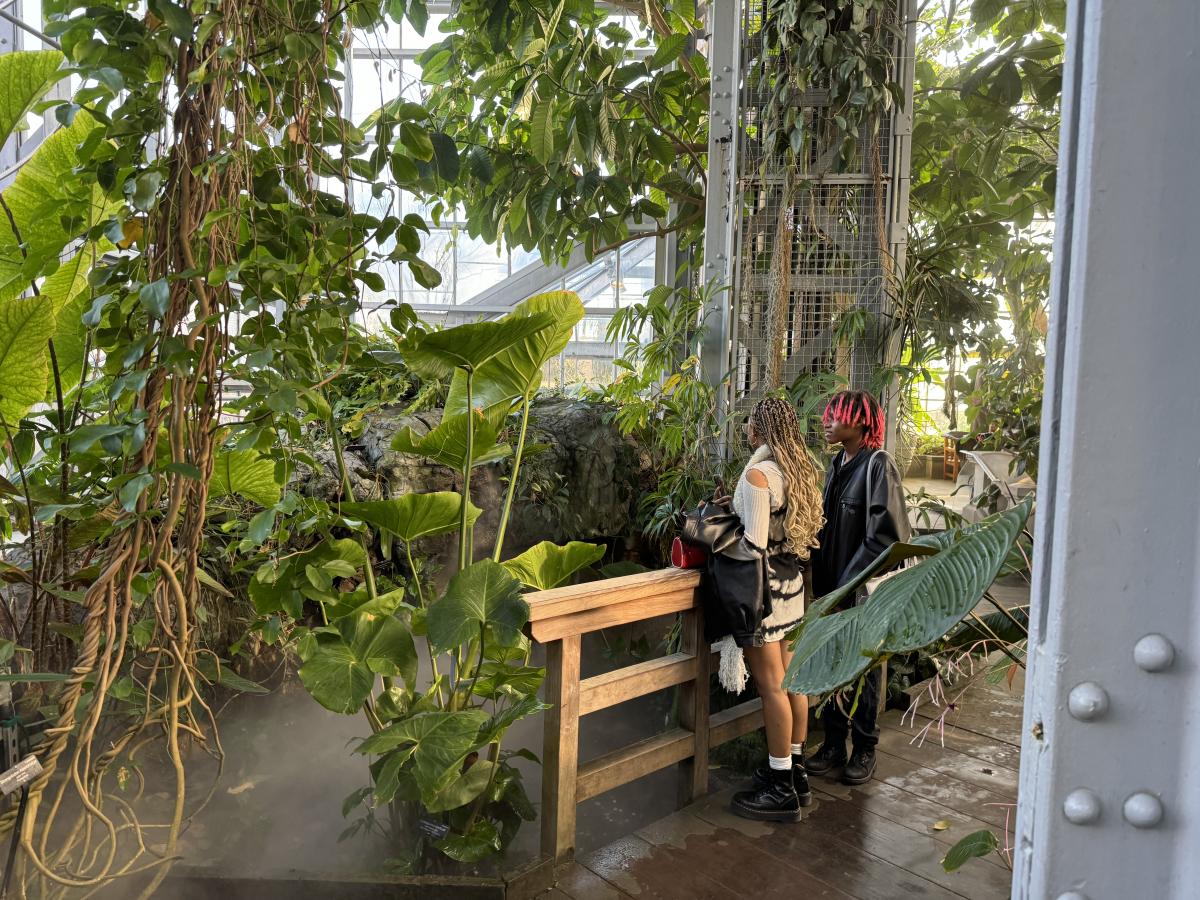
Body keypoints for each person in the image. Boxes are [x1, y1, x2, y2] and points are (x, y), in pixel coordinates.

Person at [713, 396, 825, 822]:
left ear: (757, 430)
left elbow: (753, 544)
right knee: (795, 683)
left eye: (748, 425)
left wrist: (717, 538)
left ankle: (780, 789)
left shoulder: (759, 474)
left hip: (765, 599)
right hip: (792, 588)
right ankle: (795, 771)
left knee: (773, 688)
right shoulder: (795, 471)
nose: (745, 431)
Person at [807, 390, 910, 785]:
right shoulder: (836, 465)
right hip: (834, 591)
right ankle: (834, 744)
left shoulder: (877, 466)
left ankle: (865, 749)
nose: (827, 421)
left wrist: (848, 586)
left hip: (862, 592)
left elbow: (884, 537)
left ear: (861, 422)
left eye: (836, 416)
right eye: (828, 414)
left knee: (865, 669)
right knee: (836, 665)